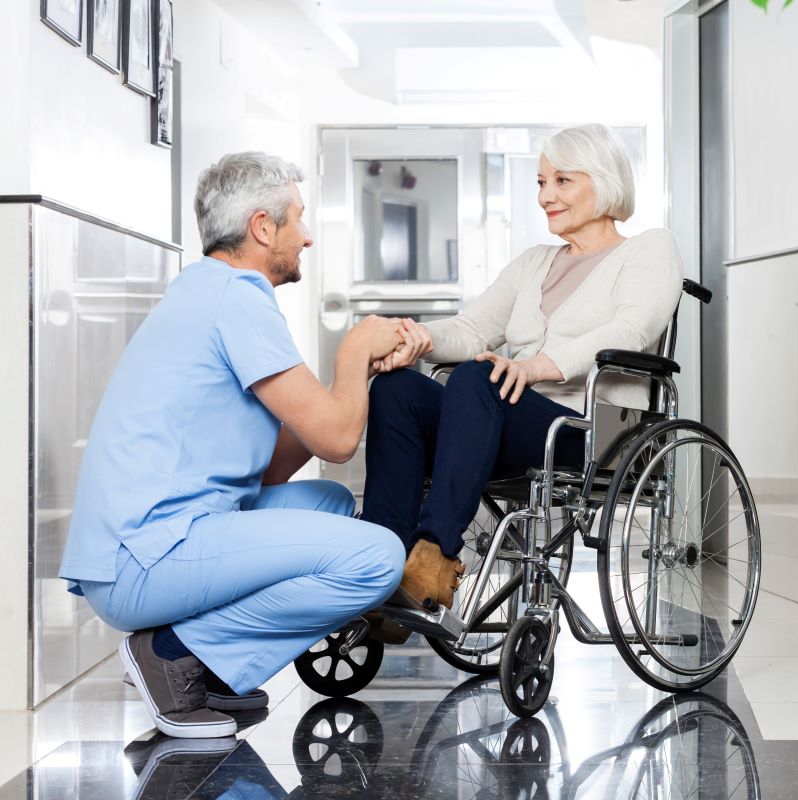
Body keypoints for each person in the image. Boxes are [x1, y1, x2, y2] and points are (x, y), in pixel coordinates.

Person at [59, 152, 422, 739]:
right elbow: (336, 438)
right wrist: (353, 354)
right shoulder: (238, 298)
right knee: (375, 557)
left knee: (326, 502)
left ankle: (204, 665)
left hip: (150, 542)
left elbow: (277, 465)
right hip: (144, 560)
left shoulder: (208, 293)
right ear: (262, 226)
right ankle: (174, 656)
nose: (306, 237)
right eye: (298, 220)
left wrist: (359, 379)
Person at [361, 124, 683, 626]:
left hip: (586, 430)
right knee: (397, 388)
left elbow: (633, 327)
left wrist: (535, 367)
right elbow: (471, 328)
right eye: (540, 183)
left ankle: (431, 560)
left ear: (603, 181)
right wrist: (414, 340)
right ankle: (379, 565)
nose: (545, 196)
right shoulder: (535, 261)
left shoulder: (648, 249)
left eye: (562, 181)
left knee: (476, 377)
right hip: (504, 420)